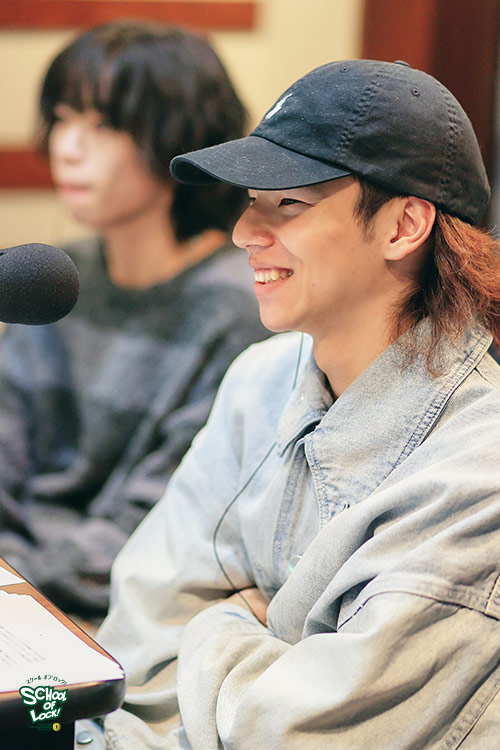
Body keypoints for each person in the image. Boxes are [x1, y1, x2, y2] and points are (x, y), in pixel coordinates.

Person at [96, 60, 500, 748]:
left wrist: (215, 624)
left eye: (288, 204)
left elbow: (303, 734)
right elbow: (136, 642)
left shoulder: (476, 472)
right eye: (251, 200)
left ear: (404, 225)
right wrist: (272, 644)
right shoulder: (259, 379)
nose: (244, 232)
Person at [0, 21, 269, 618]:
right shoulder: (52, 280)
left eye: (103, 125)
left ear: (179, 138)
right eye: (62, 118)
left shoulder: (239, 308)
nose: (67, 147)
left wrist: (17, 581)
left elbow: (163, 523)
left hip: (124, 611)